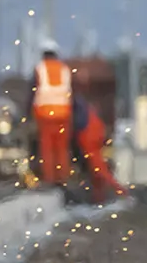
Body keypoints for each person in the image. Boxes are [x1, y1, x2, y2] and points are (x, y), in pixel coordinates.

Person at [69, 96, 128, 204]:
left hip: (88, 136)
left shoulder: (74, 106)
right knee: (96, 171)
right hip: (91, 134)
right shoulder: (79, 104)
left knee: (98, 170)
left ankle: (122, 194)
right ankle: (99, 198)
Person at [30, 42, 73, 184]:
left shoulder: (40, 68)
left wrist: (28, 112)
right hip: (64, 114)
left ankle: (49, 180)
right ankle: (63, 178)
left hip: (45, 114)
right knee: (61, 149)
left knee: (47, 149)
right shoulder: (64, 69)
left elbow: (33, 91)